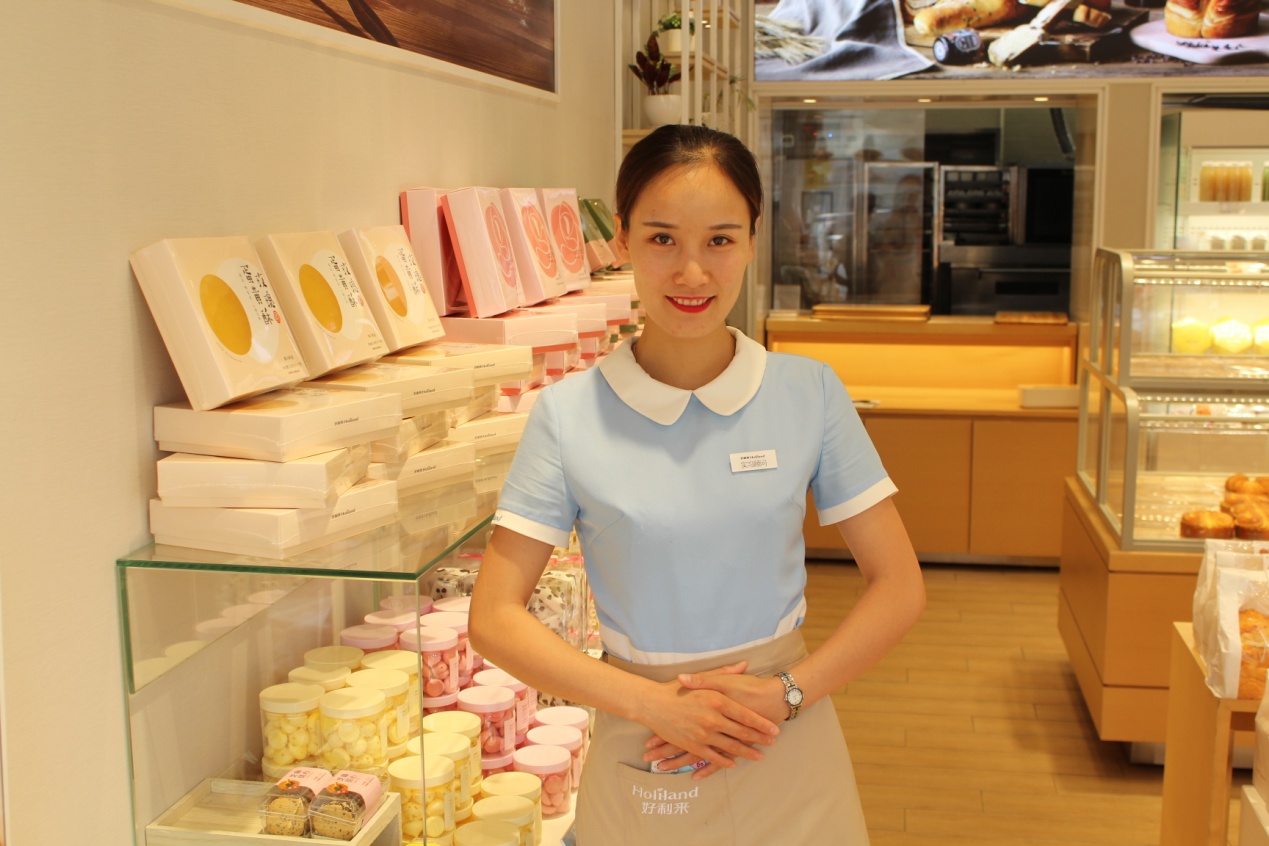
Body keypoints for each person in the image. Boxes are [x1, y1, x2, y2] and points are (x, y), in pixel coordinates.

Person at [469, 123, 925, 843]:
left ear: (751, 241)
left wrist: (787, 693)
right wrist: (651, 705)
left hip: (783, 733)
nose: (691, 273)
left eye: (719, 240)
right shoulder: (568, 413)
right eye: (662, 239)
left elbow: (898, 585)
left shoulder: (808, 392)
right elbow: (494, 616)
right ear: (622, 240)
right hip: (645, 736)